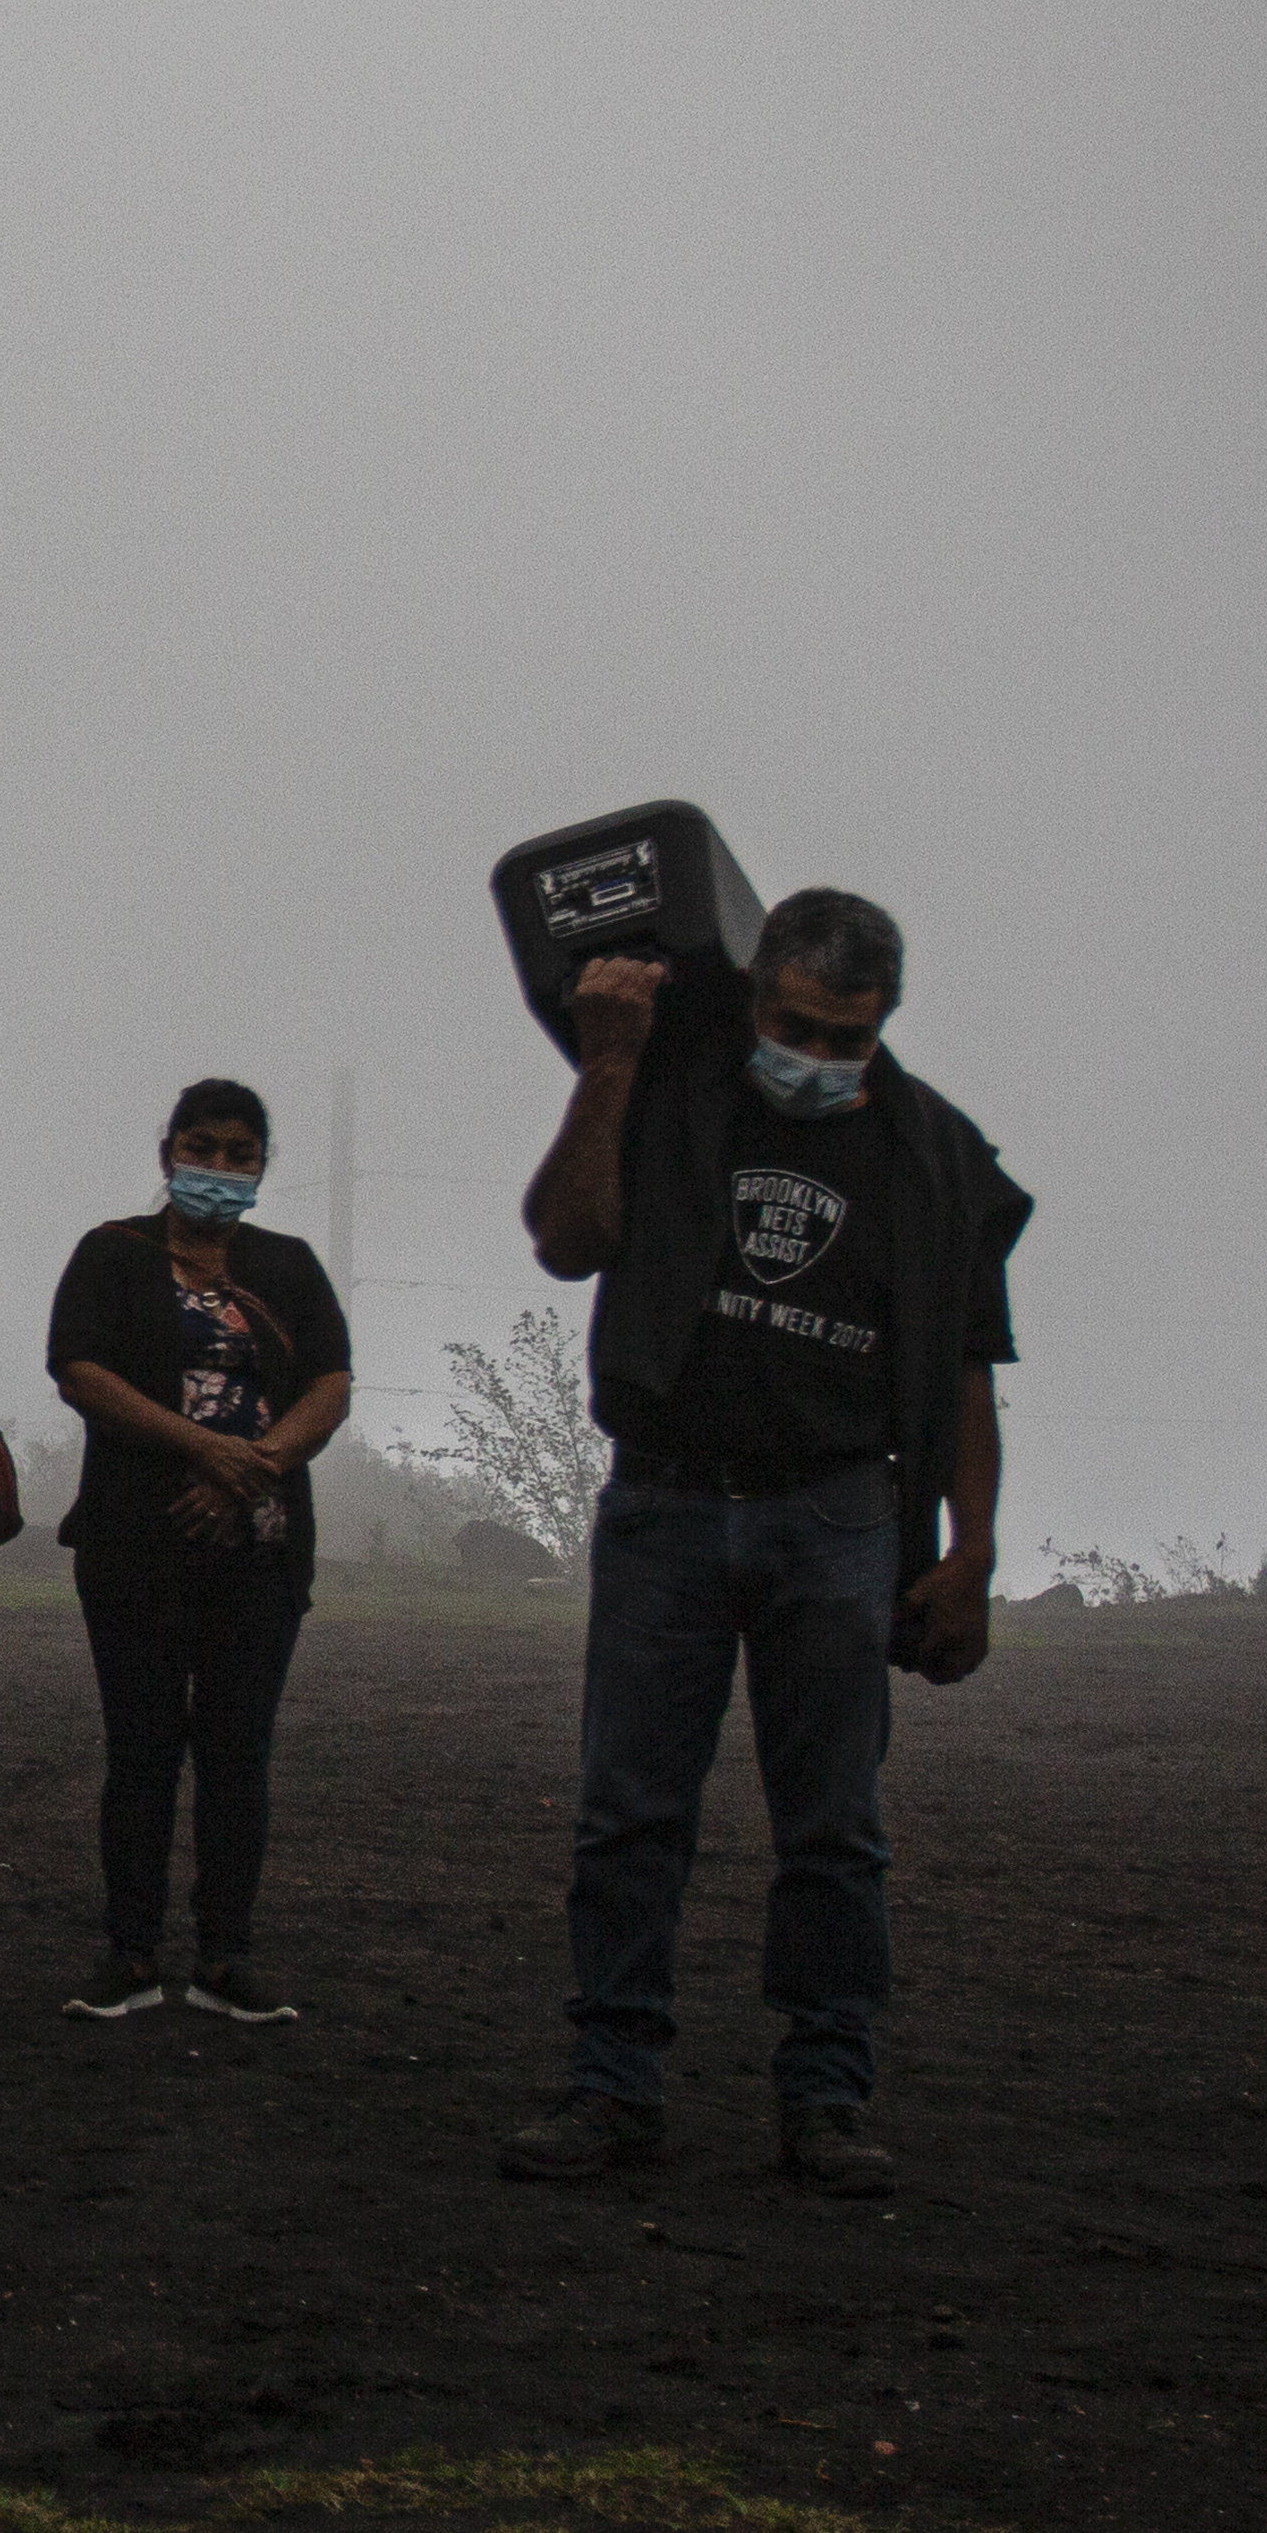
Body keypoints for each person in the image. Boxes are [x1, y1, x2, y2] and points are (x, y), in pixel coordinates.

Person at [495, 891, 1027, 2199]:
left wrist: (972, 1554)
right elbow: (568, 1240)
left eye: (846, 1036)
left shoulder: (941, 1157)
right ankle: (613, 2085)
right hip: (667, 1502)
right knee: (630, 1816)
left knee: (836, 1829)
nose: (817, 1054)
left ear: (884, 1022)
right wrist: (610, 1059)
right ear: (751, 993)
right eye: (791, 1024)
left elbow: (969, 1369)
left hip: (840, 1514)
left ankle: (829, 2095)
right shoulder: (675, 1088)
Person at [46, 1079, 354, 2022]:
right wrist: (200, 1446)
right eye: (203, 1147)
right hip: (132, 1545)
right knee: (140, 1748)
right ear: (167, 1149)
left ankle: (226, 1956)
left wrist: (254, 1466)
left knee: (237, 1751)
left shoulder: (290, 1265)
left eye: (240, 1153)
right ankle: (130, 1956)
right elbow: (80, 1371)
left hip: (260, 1552)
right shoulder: (111, 1254)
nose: (218, 1167)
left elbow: (332, 1384)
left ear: (263, 1165)